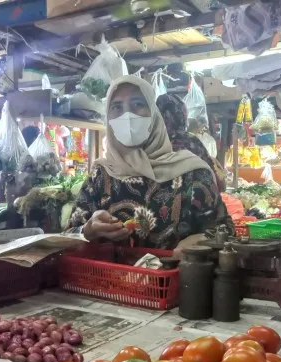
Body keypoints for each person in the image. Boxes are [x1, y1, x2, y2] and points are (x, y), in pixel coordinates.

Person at [66, 75, 233, 251]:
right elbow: (66, 237)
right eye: (116, 107)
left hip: (179, 277)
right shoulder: (101, 174)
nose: (127, 115)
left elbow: (226, 233)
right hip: (109, 278)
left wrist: (199, 243)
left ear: (154, 114)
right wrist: (88, 230)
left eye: (138, 104)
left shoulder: (193, 173)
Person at [156, 93, 227, 192]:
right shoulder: (192, 142)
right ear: (182, 114)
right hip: (197, 200)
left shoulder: (154, 145)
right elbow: (212, 174)